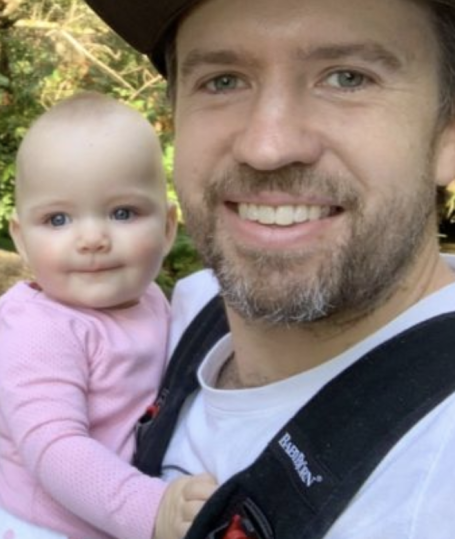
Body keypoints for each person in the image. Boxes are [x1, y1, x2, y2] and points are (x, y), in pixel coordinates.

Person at [82, 0, 455, 536]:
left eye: (347, 78)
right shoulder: (186, 312)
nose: (267, 146)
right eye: (223, 80)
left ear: (447, 133)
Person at [0, 92, 216, 539]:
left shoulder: (157, 304)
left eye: (122, 213)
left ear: (167, 228)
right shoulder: (35, 327)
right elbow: (55, 448)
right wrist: (153, 509)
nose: (91, 238)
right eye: (58, 220)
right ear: (21, 238)